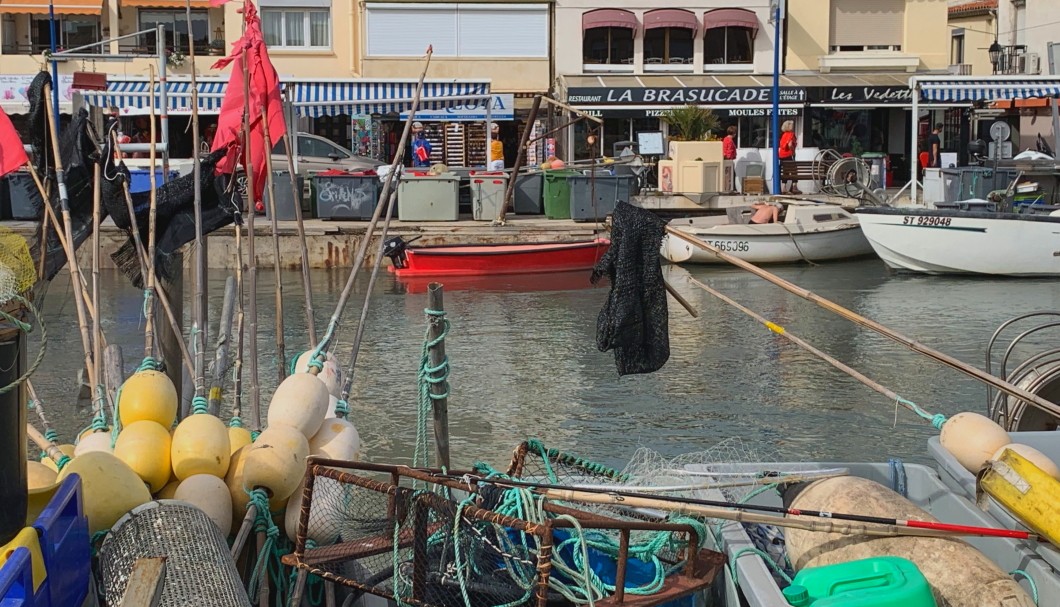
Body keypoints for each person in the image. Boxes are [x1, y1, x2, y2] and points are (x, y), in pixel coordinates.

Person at [778, 120, 799, 195]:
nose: (793, 126)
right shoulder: (791, 134)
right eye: (791, 125)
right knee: (794, 171)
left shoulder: (783, 135)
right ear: (789, 126)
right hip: (788, 155)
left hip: (781, 155)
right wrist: (793, 151)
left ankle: (783, 187)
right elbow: (790, 145)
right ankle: (794, 187)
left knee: (785, 172)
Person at [722, 125, 737, 193]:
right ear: (734, 133)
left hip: (726, 158)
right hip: (728, 159)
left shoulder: (725, 139)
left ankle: (727, 188)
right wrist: (730, 158)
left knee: (727, 174)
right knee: (728, 175)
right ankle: (728, 188)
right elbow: (729, 151)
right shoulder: (730, 140)